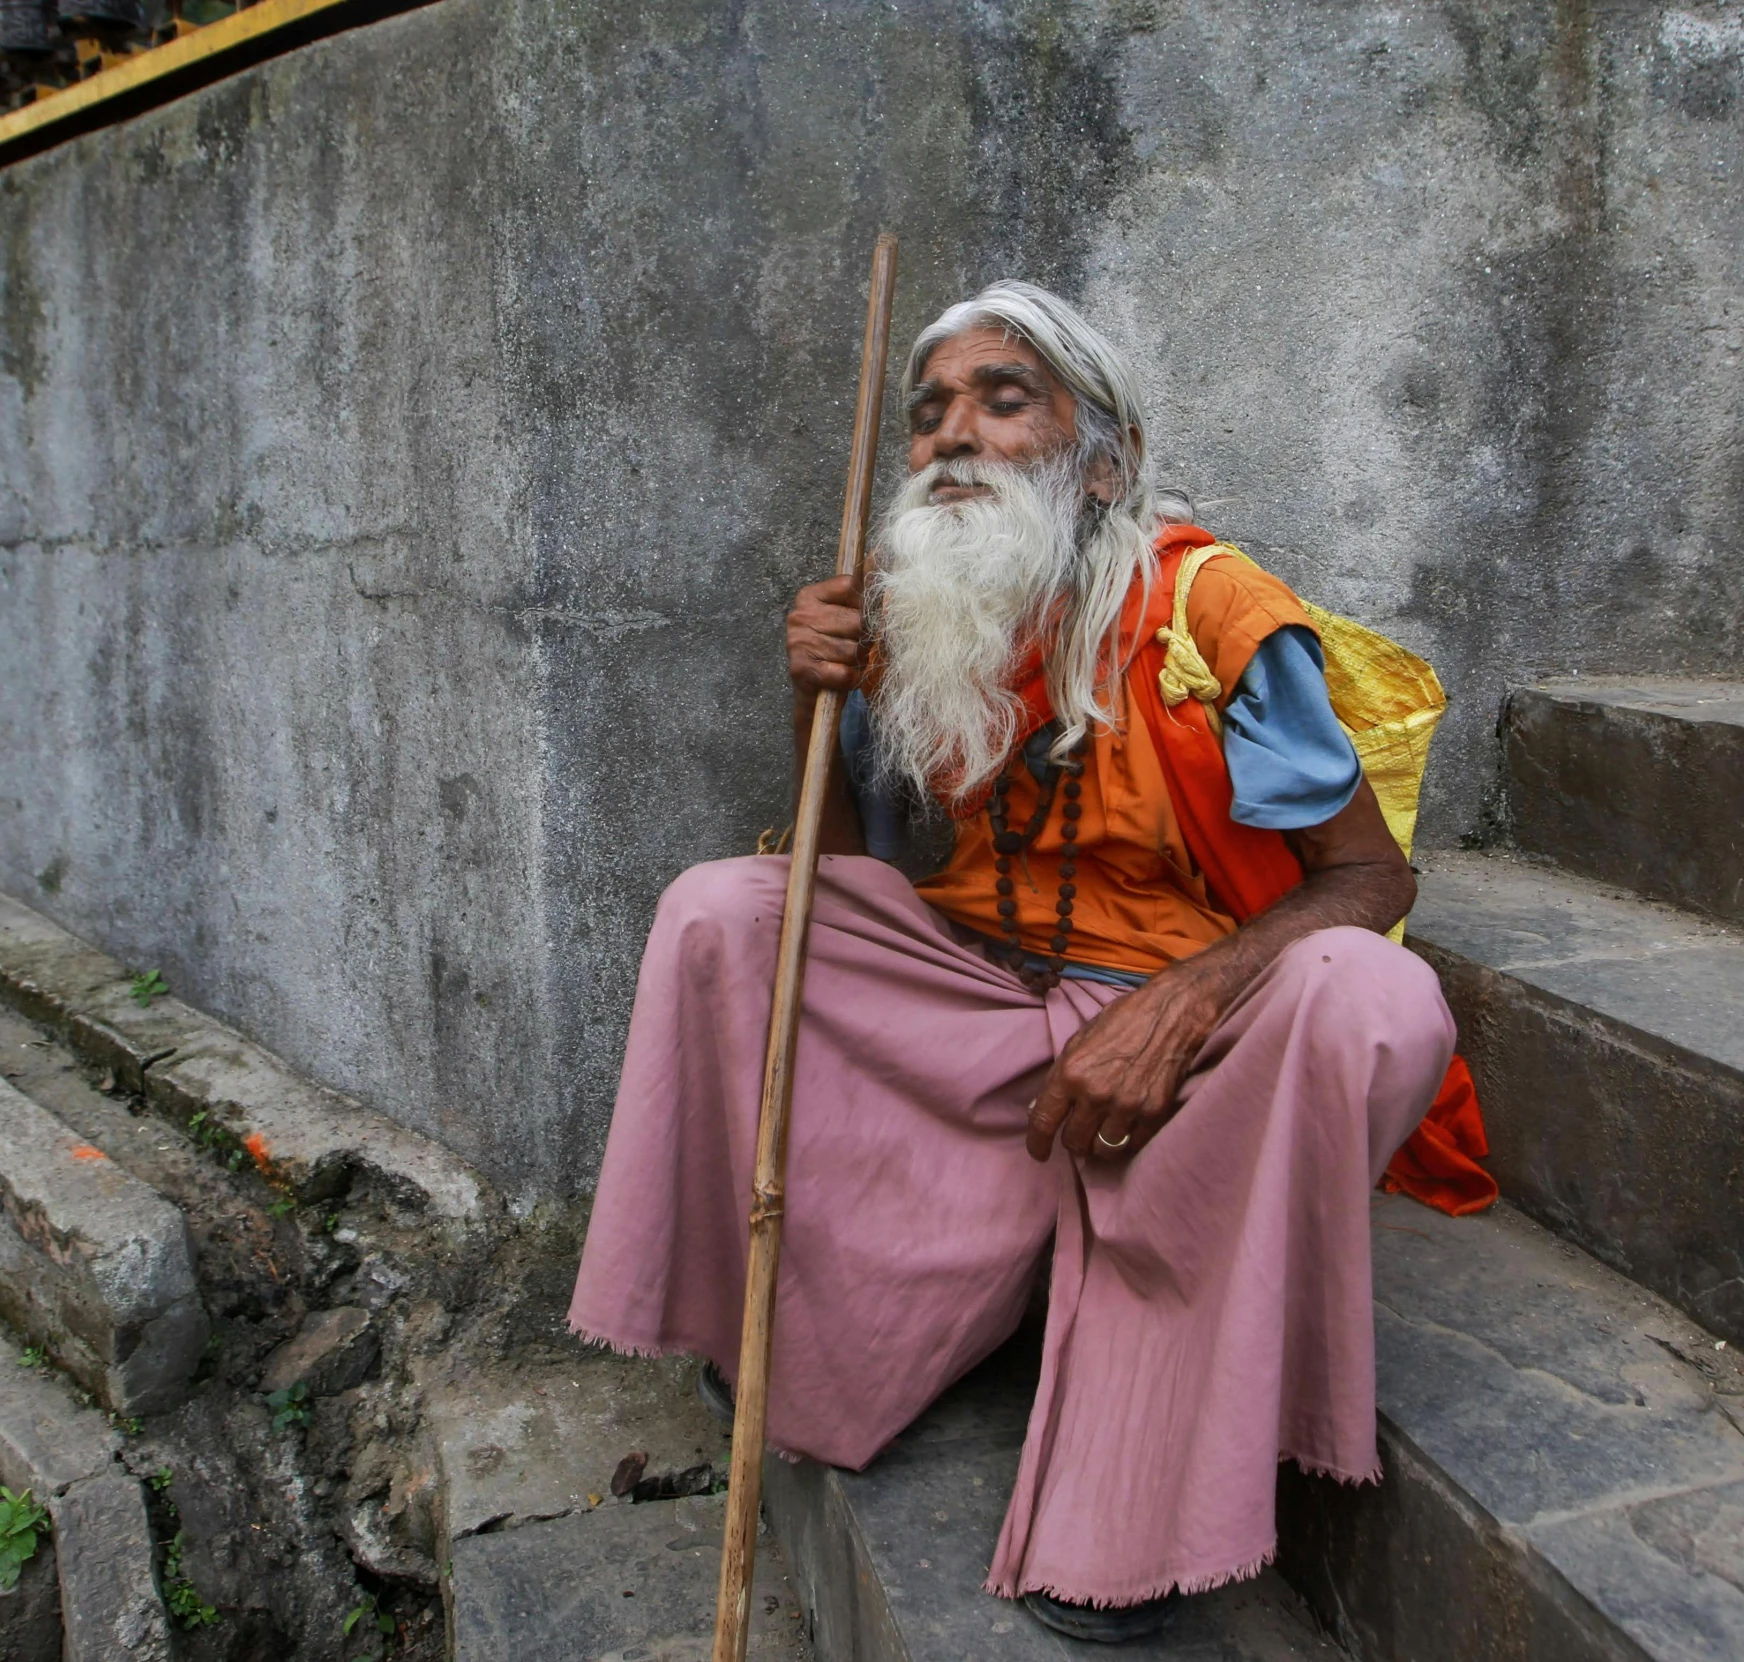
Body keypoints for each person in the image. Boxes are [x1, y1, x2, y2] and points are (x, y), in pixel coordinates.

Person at [567, 281, 1456, 1643]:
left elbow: (1371, 877)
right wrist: (818, 703)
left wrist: (1181, 1001)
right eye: (928, 414)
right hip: (980, 999)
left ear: (1100, 459)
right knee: (723, 911)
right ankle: (796, 1337)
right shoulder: (922, 606)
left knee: (1378, 997)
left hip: (1186, 1025)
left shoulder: (1207, 607)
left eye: (1003, 398)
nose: (951, 437)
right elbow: (843, 866)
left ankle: (1141, 1508)